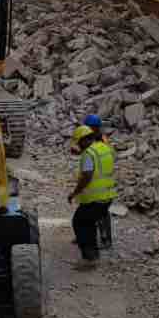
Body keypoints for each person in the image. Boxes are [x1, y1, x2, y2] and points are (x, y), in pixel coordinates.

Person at [68, 122, 116, 266]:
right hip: (107, 196)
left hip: (95, 198)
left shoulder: (88, 154)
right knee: (89, 223)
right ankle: (94, 253)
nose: (78, 146)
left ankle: (89, 258)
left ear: (84, 140)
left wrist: (74, 193)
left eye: (79, 143)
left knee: (79, 223)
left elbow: (87, 176)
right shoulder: (103, 147)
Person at [83, 114, 115, 250]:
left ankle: (106, 239)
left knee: (101, 212)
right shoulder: (95, 139)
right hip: (95, 179)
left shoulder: (101, 141)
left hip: (100, 180)